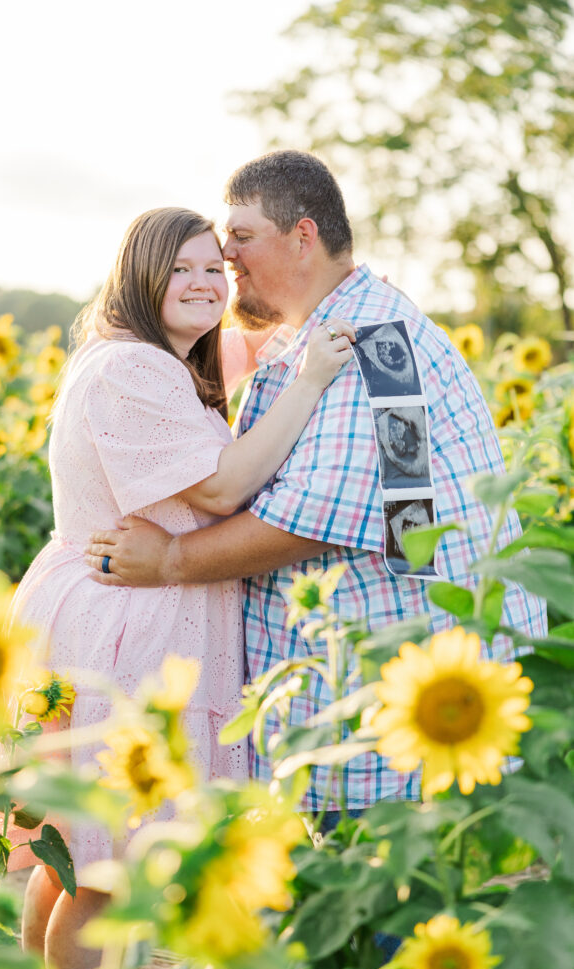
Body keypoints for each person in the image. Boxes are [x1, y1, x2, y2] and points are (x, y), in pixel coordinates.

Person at [84, 150, 548, 833]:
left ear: (301, 236)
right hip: (352, 715)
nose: (224, 253)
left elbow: (312, 520)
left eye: (239, 236)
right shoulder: (322, 335)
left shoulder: (380, 347)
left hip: (382, 726)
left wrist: (171, 562)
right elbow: (391, 510)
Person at [7, 205, 354, 969]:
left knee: (77, 851)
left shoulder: (142, 358)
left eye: (214, 269)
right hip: (129, 623)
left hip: (104, 609)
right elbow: (227, 486)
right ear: (140, 275)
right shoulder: (136, 368)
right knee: (113, 867)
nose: (203, 284)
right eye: (181, 269)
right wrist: (310, 381)